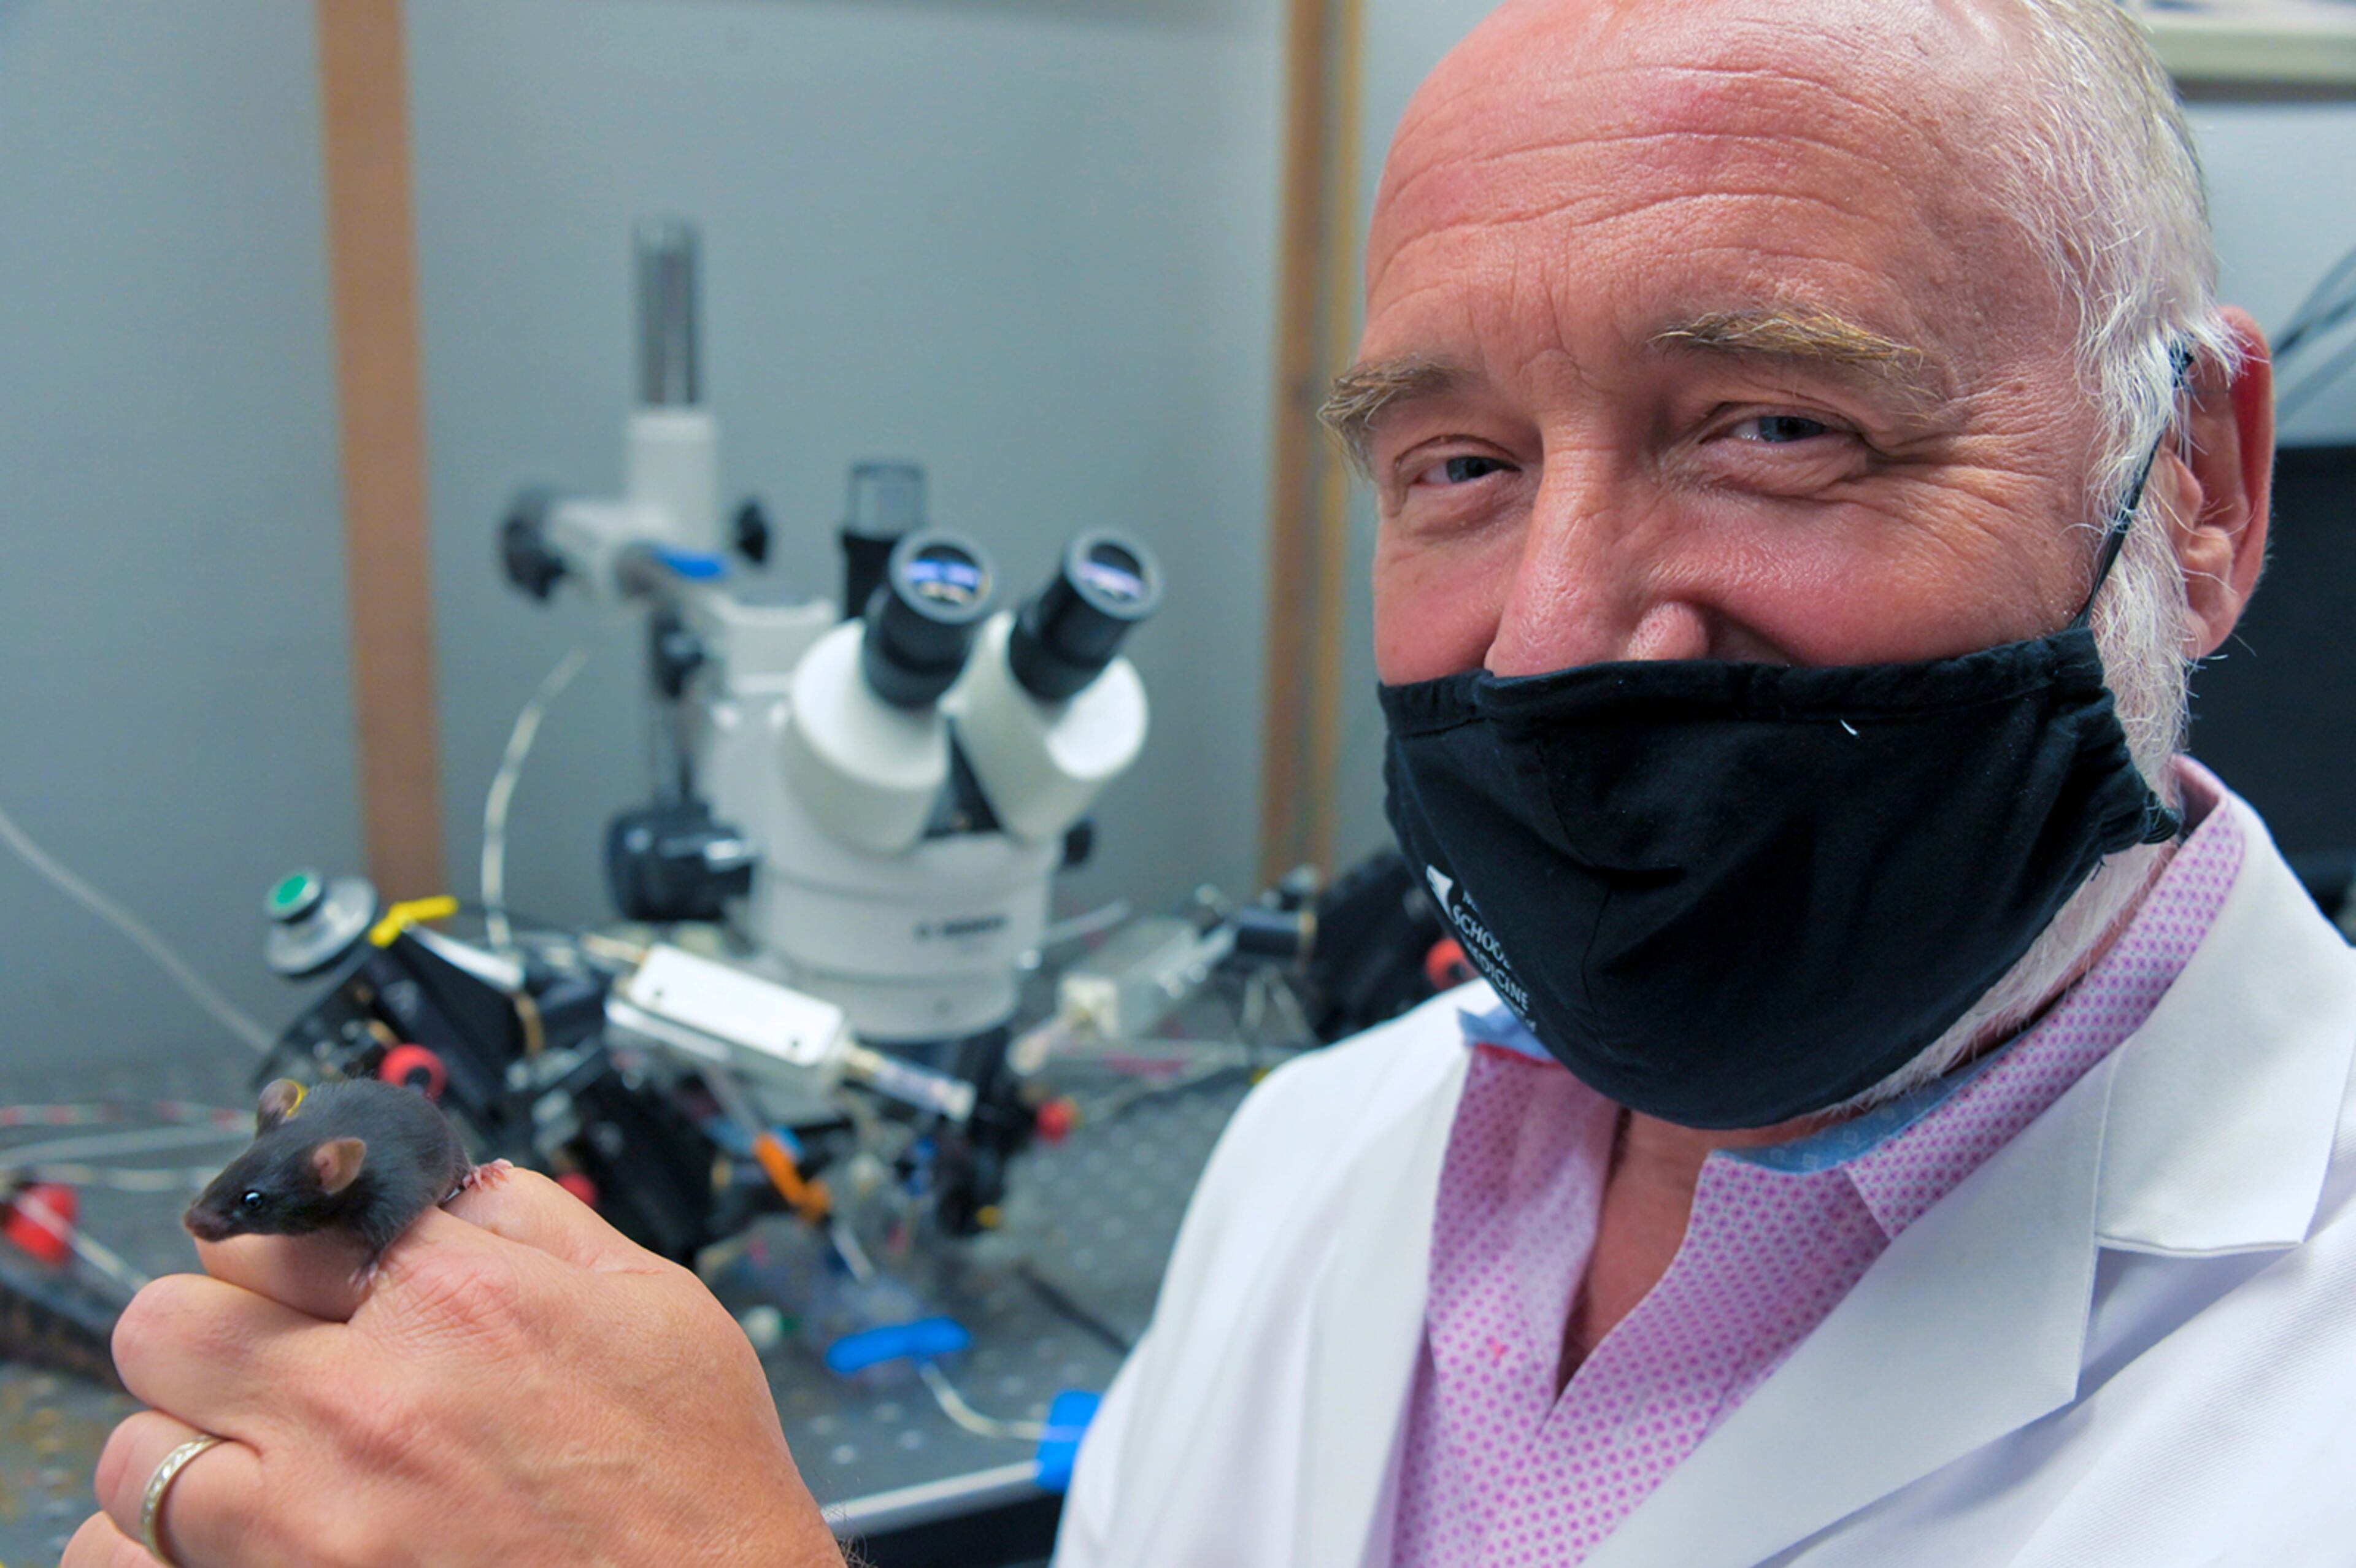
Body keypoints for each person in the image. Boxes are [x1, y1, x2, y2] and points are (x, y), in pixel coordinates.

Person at [65, 2, 2349, 1567]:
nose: (1550, 629)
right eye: (1456, 464)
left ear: (2206, 486)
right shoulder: (1325, 1157)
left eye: (1773, 426)